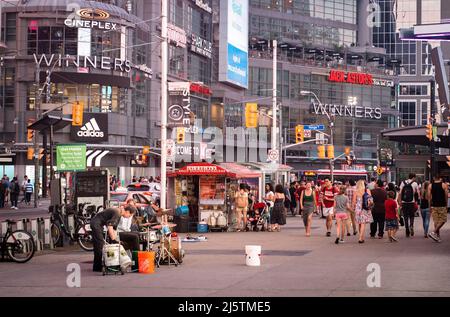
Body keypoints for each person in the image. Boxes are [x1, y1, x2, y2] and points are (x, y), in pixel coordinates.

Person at [90, 205, 137, 272]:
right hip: (96, 224)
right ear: (127, 212)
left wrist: (117, 240)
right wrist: (114, 240)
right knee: (99, 245)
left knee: (99, 244)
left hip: (97, 223)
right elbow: (110, 226)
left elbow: (114, 228)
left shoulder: (118, 212)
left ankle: (97, 267)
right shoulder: (117, 213)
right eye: (129, 215)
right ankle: (97, 268)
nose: (128, 217)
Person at [428, 175, 449, 242]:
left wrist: (430, 206)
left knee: (436, 221)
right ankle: (433, 232)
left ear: (434, 178)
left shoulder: (430, 186)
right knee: (443, 220)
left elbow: (429, 197)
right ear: (440, 178)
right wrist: (446, 204)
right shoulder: (444, 185)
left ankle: (437, 237)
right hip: (442, 205)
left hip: (434, 205)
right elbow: (446, 196)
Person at [398, 173, 419, 237]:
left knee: (405, 216)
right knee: (412, 216)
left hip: (404, 202)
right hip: (411, 202)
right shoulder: (415, 183)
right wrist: (417, 202)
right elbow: (417, 193)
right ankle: (411, 225)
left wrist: (400, 201)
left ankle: (407, 230)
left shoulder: (402, 182)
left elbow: (400, 193)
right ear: (413, 177)